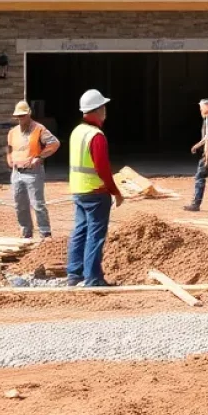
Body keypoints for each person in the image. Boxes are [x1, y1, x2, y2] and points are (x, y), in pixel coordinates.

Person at [67, 90, 124, 288]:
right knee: (95, 235)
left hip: (79, 191)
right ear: (98, 109)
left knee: (79, 232)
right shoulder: (96, 135)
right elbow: (102, 168)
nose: (105, 111)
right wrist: (115, 191)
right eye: (104, 107)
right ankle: (93, 278)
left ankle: (74, 275)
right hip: (96, 193)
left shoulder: (76, 132)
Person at [6, 101, 60, 240]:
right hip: (17, 172)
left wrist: (40, 157)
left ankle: (45, 233)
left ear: (29, 114)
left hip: (33, 172)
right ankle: (26, 233)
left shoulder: (39, 129)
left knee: (38, 204)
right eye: (18, 116)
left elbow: (54, 143)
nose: (20, 119)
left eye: (23, 115)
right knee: (20, 205)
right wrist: (9, 159)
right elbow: (9, 147)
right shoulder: (13, 132)